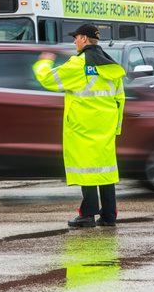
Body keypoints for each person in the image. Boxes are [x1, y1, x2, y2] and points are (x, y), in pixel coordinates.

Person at [32, 24, 126, 228]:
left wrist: (43, 62)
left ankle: (87, 214)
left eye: (76, 38)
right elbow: (120, 98)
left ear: (84, 39)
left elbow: (47, 80)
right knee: (105, 170)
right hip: (106, 126)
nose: (74, 41)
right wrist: (116, 127)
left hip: (83, 126)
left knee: (87, 170)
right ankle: (109, 215)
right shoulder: (111, 66)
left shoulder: (78, 64)